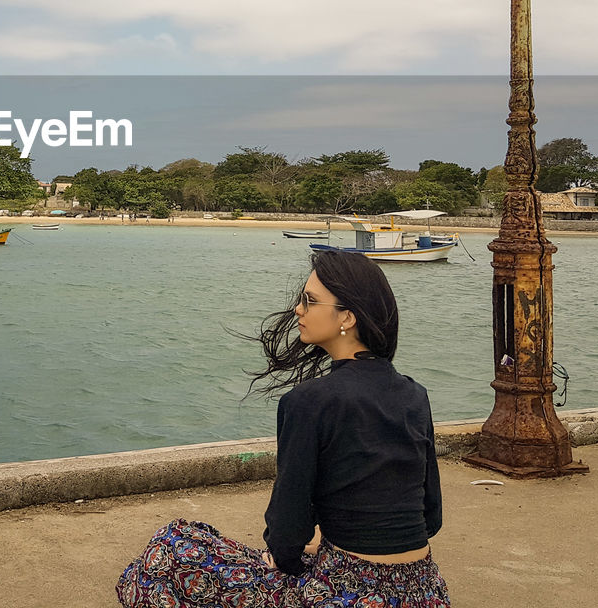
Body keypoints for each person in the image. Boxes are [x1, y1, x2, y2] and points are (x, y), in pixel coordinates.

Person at [116, 250, 450, 607]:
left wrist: (285, 558)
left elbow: (288, 528)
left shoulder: (309, 401)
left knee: (169, 547)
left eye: (310, 301)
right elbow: (430, 516)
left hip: (344, 594)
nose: (298, 310)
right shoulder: (415, 394)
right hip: (424, 591)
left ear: (347, 317)